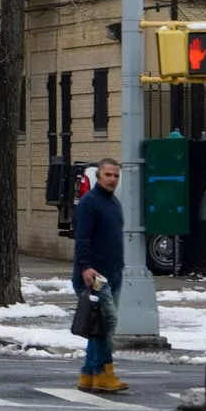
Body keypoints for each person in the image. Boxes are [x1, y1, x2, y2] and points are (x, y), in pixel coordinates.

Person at [72, 156, 127, 393]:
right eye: (108, 175)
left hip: (113, 275)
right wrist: (85, 267)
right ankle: (105, 371)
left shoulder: (114, 203)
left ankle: (88, 374)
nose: (112, 179)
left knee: (98, 327)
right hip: (94, 277)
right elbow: (82, 238)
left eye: (115, 175)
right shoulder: (89, 203)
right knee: (108, 324)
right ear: (98, 176)